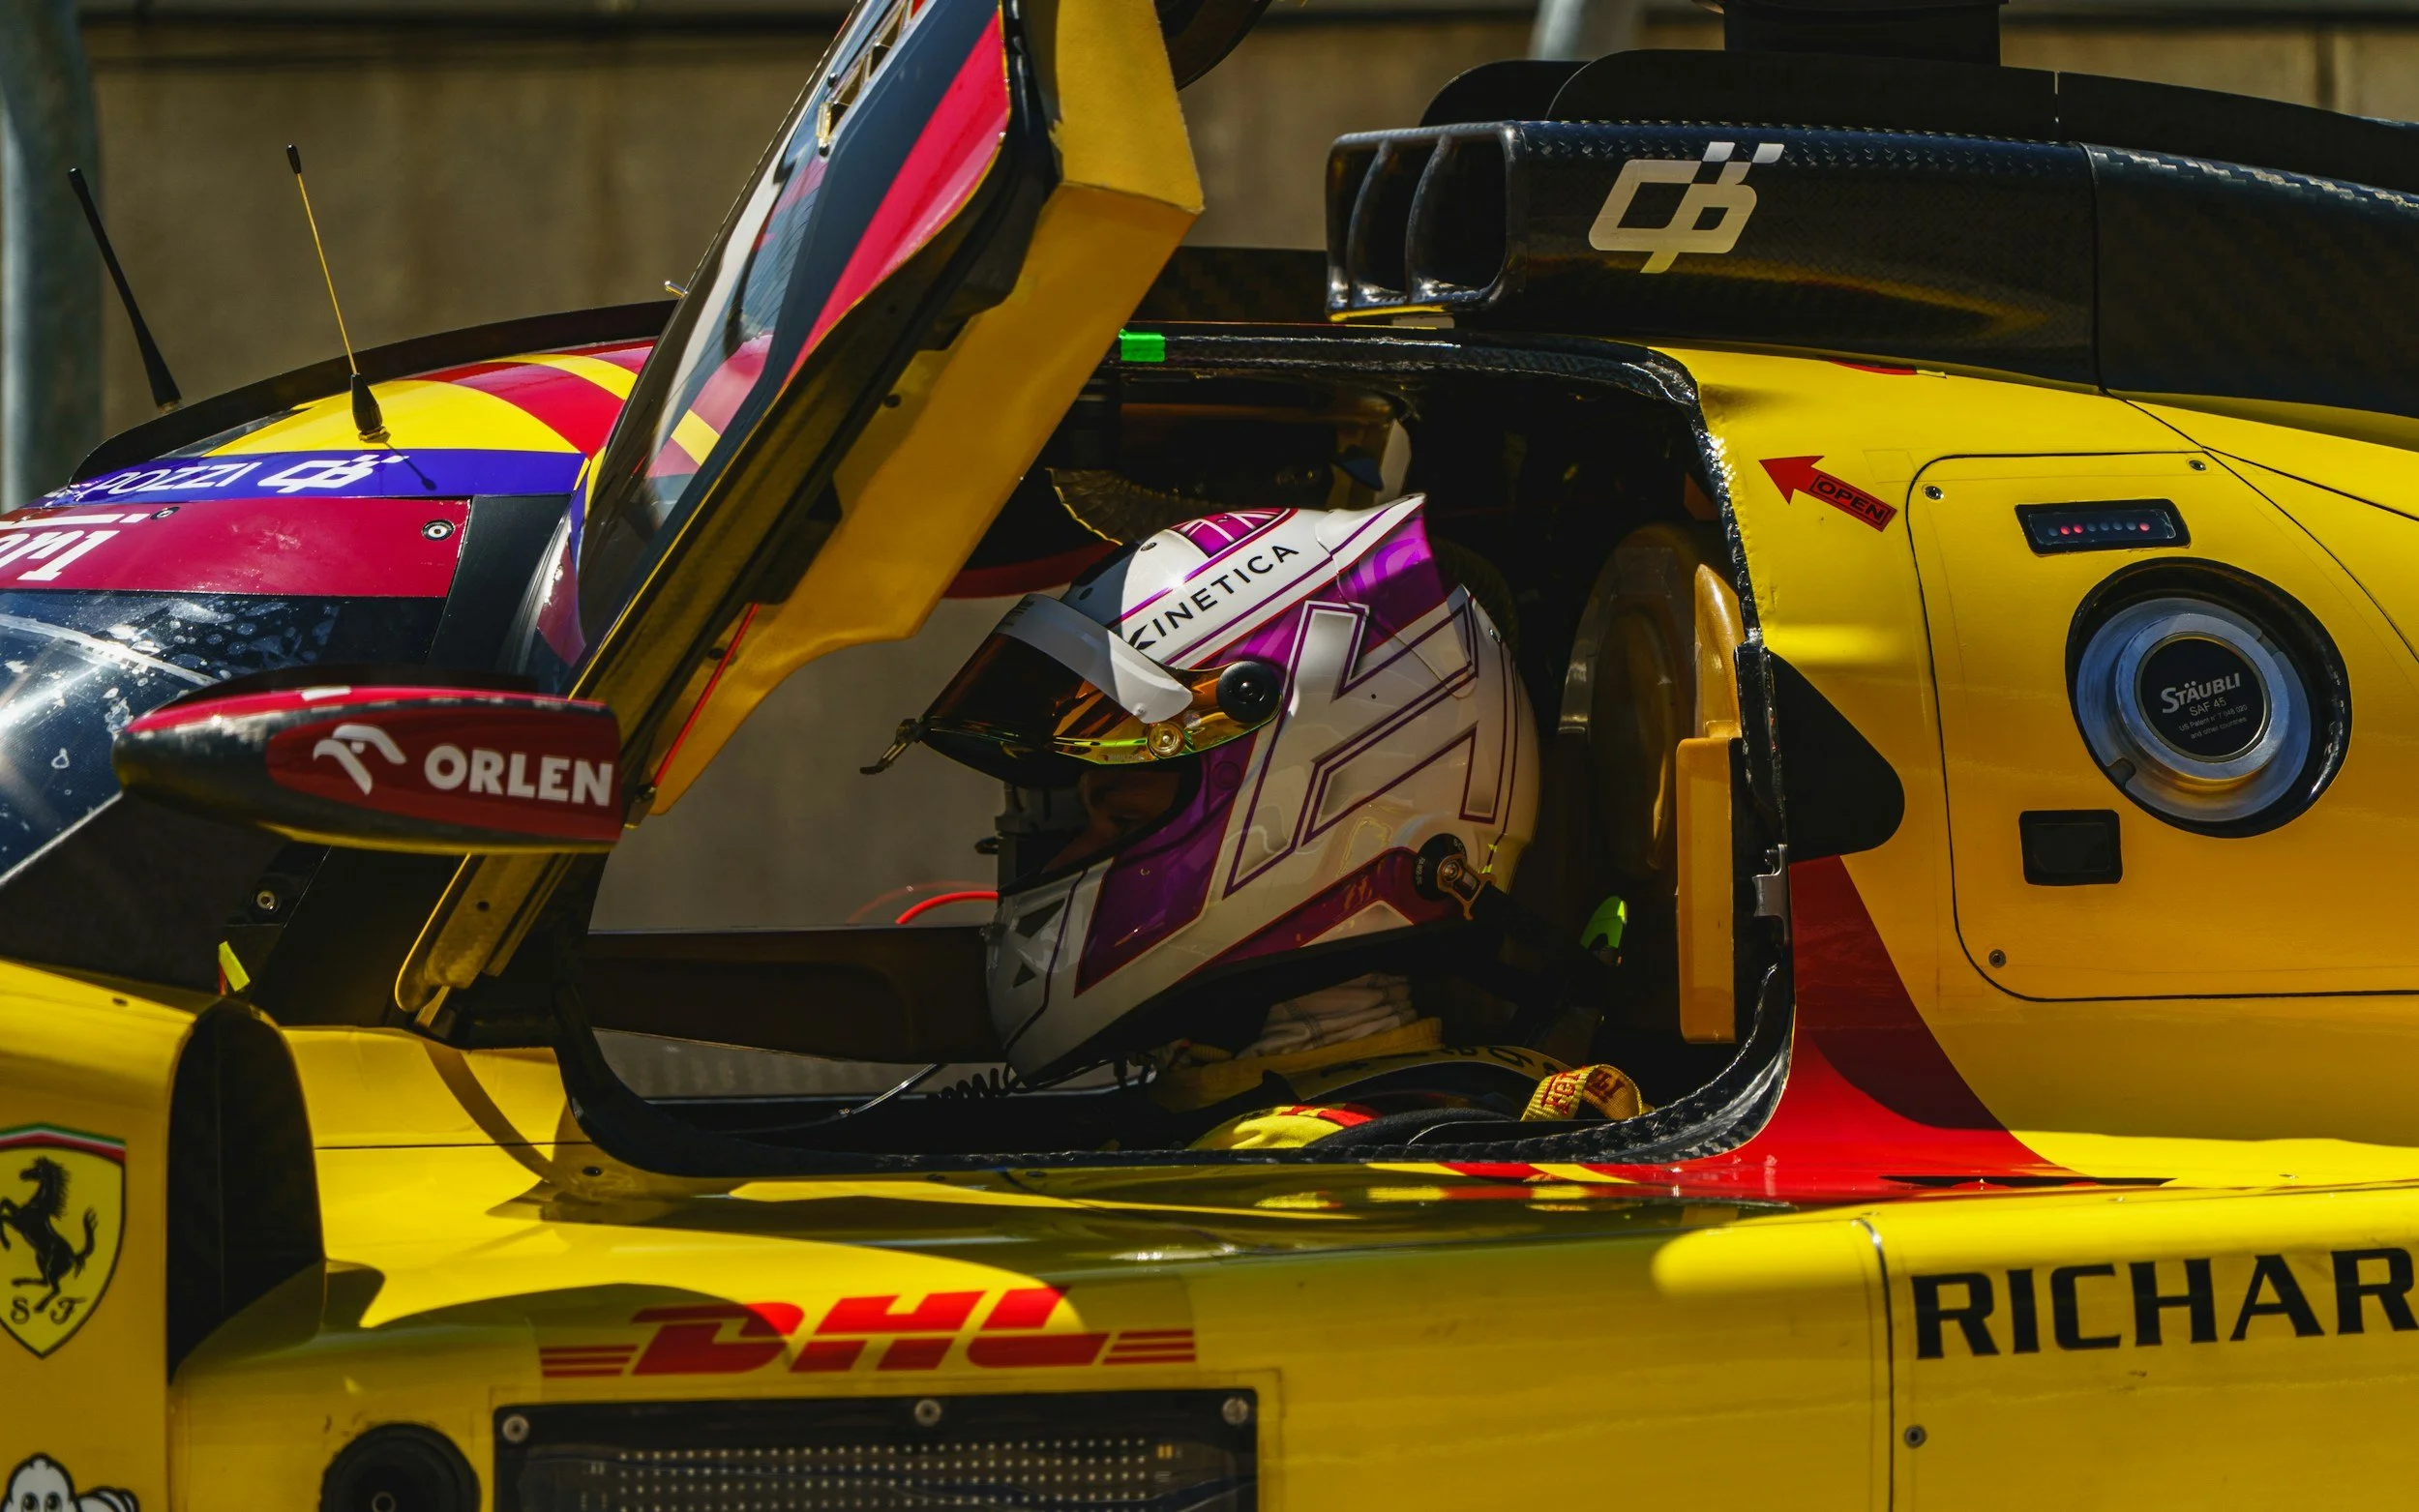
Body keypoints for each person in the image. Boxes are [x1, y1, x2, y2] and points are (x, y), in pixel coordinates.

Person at [878, 496, 1646, 1148]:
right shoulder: (1250, 1109)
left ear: (1321, 787)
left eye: (1118, 809)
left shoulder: (1345, 1164)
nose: (1068, 852)